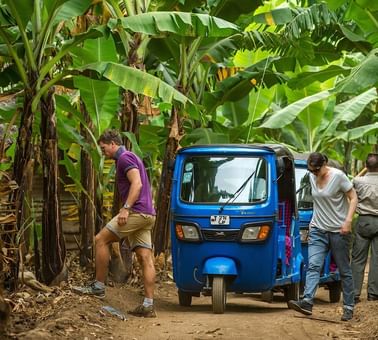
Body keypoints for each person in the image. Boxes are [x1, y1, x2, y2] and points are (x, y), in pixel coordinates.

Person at [73, 129, 157, 318]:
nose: (103, 152)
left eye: (104, 148)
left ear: (113, 143)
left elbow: (137, 184)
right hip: (147, 214)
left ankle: (98, 286)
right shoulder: (132, 156)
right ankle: (148, 305)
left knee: (101, 239)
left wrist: (126, 208)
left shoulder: (125, 158)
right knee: (145, 257)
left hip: (136, 212)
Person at [288, 152, 357, 321]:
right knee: (313, 265)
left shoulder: (338, 177)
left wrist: (348, 221)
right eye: (311, 171)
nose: (314, 174)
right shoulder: (312, 176)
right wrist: (313, 223)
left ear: (324, 164)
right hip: (318, 229)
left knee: (344, 270)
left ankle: (348, 306)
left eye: (316, 170)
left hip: (338, 231)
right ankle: (307, 301)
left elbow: (353, 198)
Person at [351, 153, 378, 303]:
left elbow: (347, 188)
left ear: (366, 166)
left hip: (364, 221)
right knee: (377, 258)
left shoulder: (358, 181)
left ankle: (354, 294)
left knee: (358, 258)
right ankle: (373, 294)